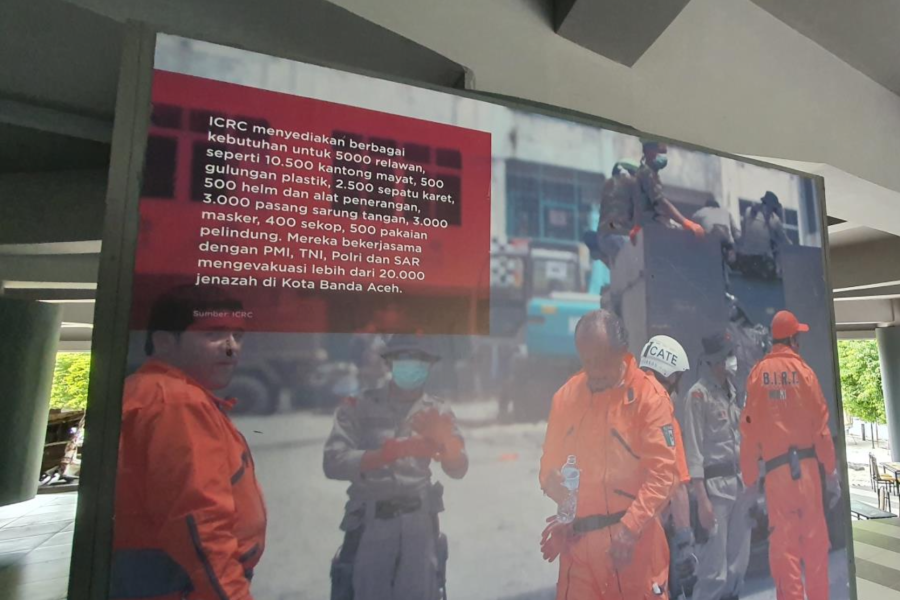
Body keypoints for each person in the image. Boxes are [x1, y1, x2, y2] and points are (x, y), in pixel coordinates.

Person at [111, 285, 266, 600]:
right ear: (165, 341)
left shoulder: (149, 391)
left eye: (238, 336)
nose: (231, 347)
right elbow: (200, 522)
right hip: (183, 587)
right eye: (214, 334)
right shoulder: (177, 402)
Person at [539, 309, 680, 599]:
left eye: (602, 361)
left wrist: (628, 530)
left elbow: (664, 474)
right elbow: (548, 467)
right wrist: (557, 495)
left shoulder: (648, 397)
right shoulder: (565, 398)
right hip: (577, 550)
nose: (594, 371)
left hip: (633, 548)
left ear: (622, 352)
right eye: (587, 361)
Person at [324, 334, 468, 600]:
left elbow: (458, 468)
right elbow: (332, 462)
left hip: (420, 527)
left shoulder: (438, 410)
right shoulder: (358, 406)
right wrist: (380, 456)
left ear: (429, 365)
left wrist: (447, 443)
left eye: (419, 360)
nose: (412, 365)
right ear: (389, 363)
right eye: (404, 359)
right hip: (371, 524)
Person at [740, 311, 839, 600]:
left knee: (785, 553)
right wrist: (830, 471)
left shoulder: (757, 376)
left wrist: (749, 479)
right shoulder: (806, 374)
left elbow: (748, 432)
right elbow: (821, 429)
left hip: (776, 477)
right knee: (816, 548)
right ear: (793, 339)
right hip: (807, 472)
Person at [683, 333, 754, 600]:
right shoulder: (697, 396)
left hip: (739, 486)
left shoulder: (733, 393)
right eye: (727, 355)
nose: (732, 360)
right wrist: (701, 500)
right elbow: (694, 452)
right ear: (714, 360)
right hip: (715, 492)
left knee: (738, 567)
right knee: (714, 572)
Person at [638, 335, 698, 598]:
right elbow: (677, 487)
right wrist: (684, 541)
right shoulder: (663, 415)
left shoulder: (615, 404)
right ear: (671, 376)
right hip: (648, 534)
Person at [633, 140, 705, 240]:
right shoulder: (646, 173)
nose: (663, 156)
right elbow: (661, 202)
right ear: (649, 151)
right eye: (660, 152)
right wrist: (687, 223)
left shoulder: (649, 174)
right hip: (655, 226)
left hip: (653, 225)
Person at [736, 192, 792, 279]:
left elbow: (743, 235)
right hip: (763, 266)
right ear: (773, 207)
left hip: (745, 263)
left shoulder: (748, 211)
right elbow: (786, 242)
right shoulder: (775, 220)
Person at [595, 160, 639, 268]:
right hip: (618, 235)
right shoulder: (631, 184)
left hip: (603, 236)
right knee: (637, 263)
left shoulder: (608, 185)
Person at [693, 199, 741, 268]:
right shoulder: (726, 213)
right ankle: (731, 258)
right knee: (729, 247)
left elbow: (692, 223)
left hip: (710, 239)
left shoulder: (701, 212)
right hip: (726, 238)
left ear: (706, 206)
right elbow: (736, 232)